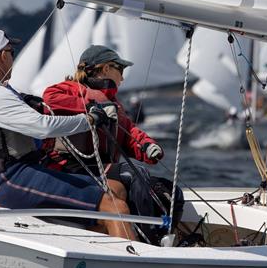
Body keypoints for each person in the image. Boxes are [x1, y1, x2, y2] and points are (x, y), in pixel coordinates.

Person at [0, 28, 134, 239]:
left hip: (17, 175)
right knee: (115, 207)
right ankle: (133, 267)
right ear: (2, 55)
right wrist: (90, 120)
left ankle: (101, 257)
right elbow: (43, 127)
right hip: (13, 179)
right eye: (11, 52)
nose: (12, 59)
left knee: (115, 189)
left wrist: (30, 101)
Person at [42, 45, 183, 244]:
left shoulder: (114, 104)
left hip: (105, 169)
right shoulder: (70, 89)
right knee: (132, 173)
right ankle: (147, 243)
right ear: (106, 69)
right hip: (70, 168)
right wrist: (93, 104)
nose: (123, 78)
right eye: (121, 70)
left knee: (170, 192)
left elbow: (129, 133)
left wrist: (148, 146)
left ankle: (164, 239)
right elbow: (50, 98)